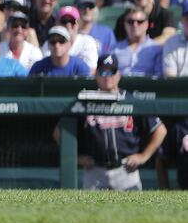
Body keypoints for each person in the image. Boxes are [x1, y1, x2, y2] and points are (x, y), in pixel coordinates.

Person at [55, 54, 164, 191]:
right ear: (96, 75)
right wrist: (76, 157)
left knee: (133, 212)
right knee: (88, 212)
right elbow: (59, 132)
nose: (107, 76)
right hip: (95, 170)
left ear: (119, 75)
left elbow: (160, 130)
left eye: (111, 72)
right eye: (103, 72)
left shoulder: (131, 101)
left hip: (125, 169)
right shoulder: (85, 101)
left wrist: (143, 156)